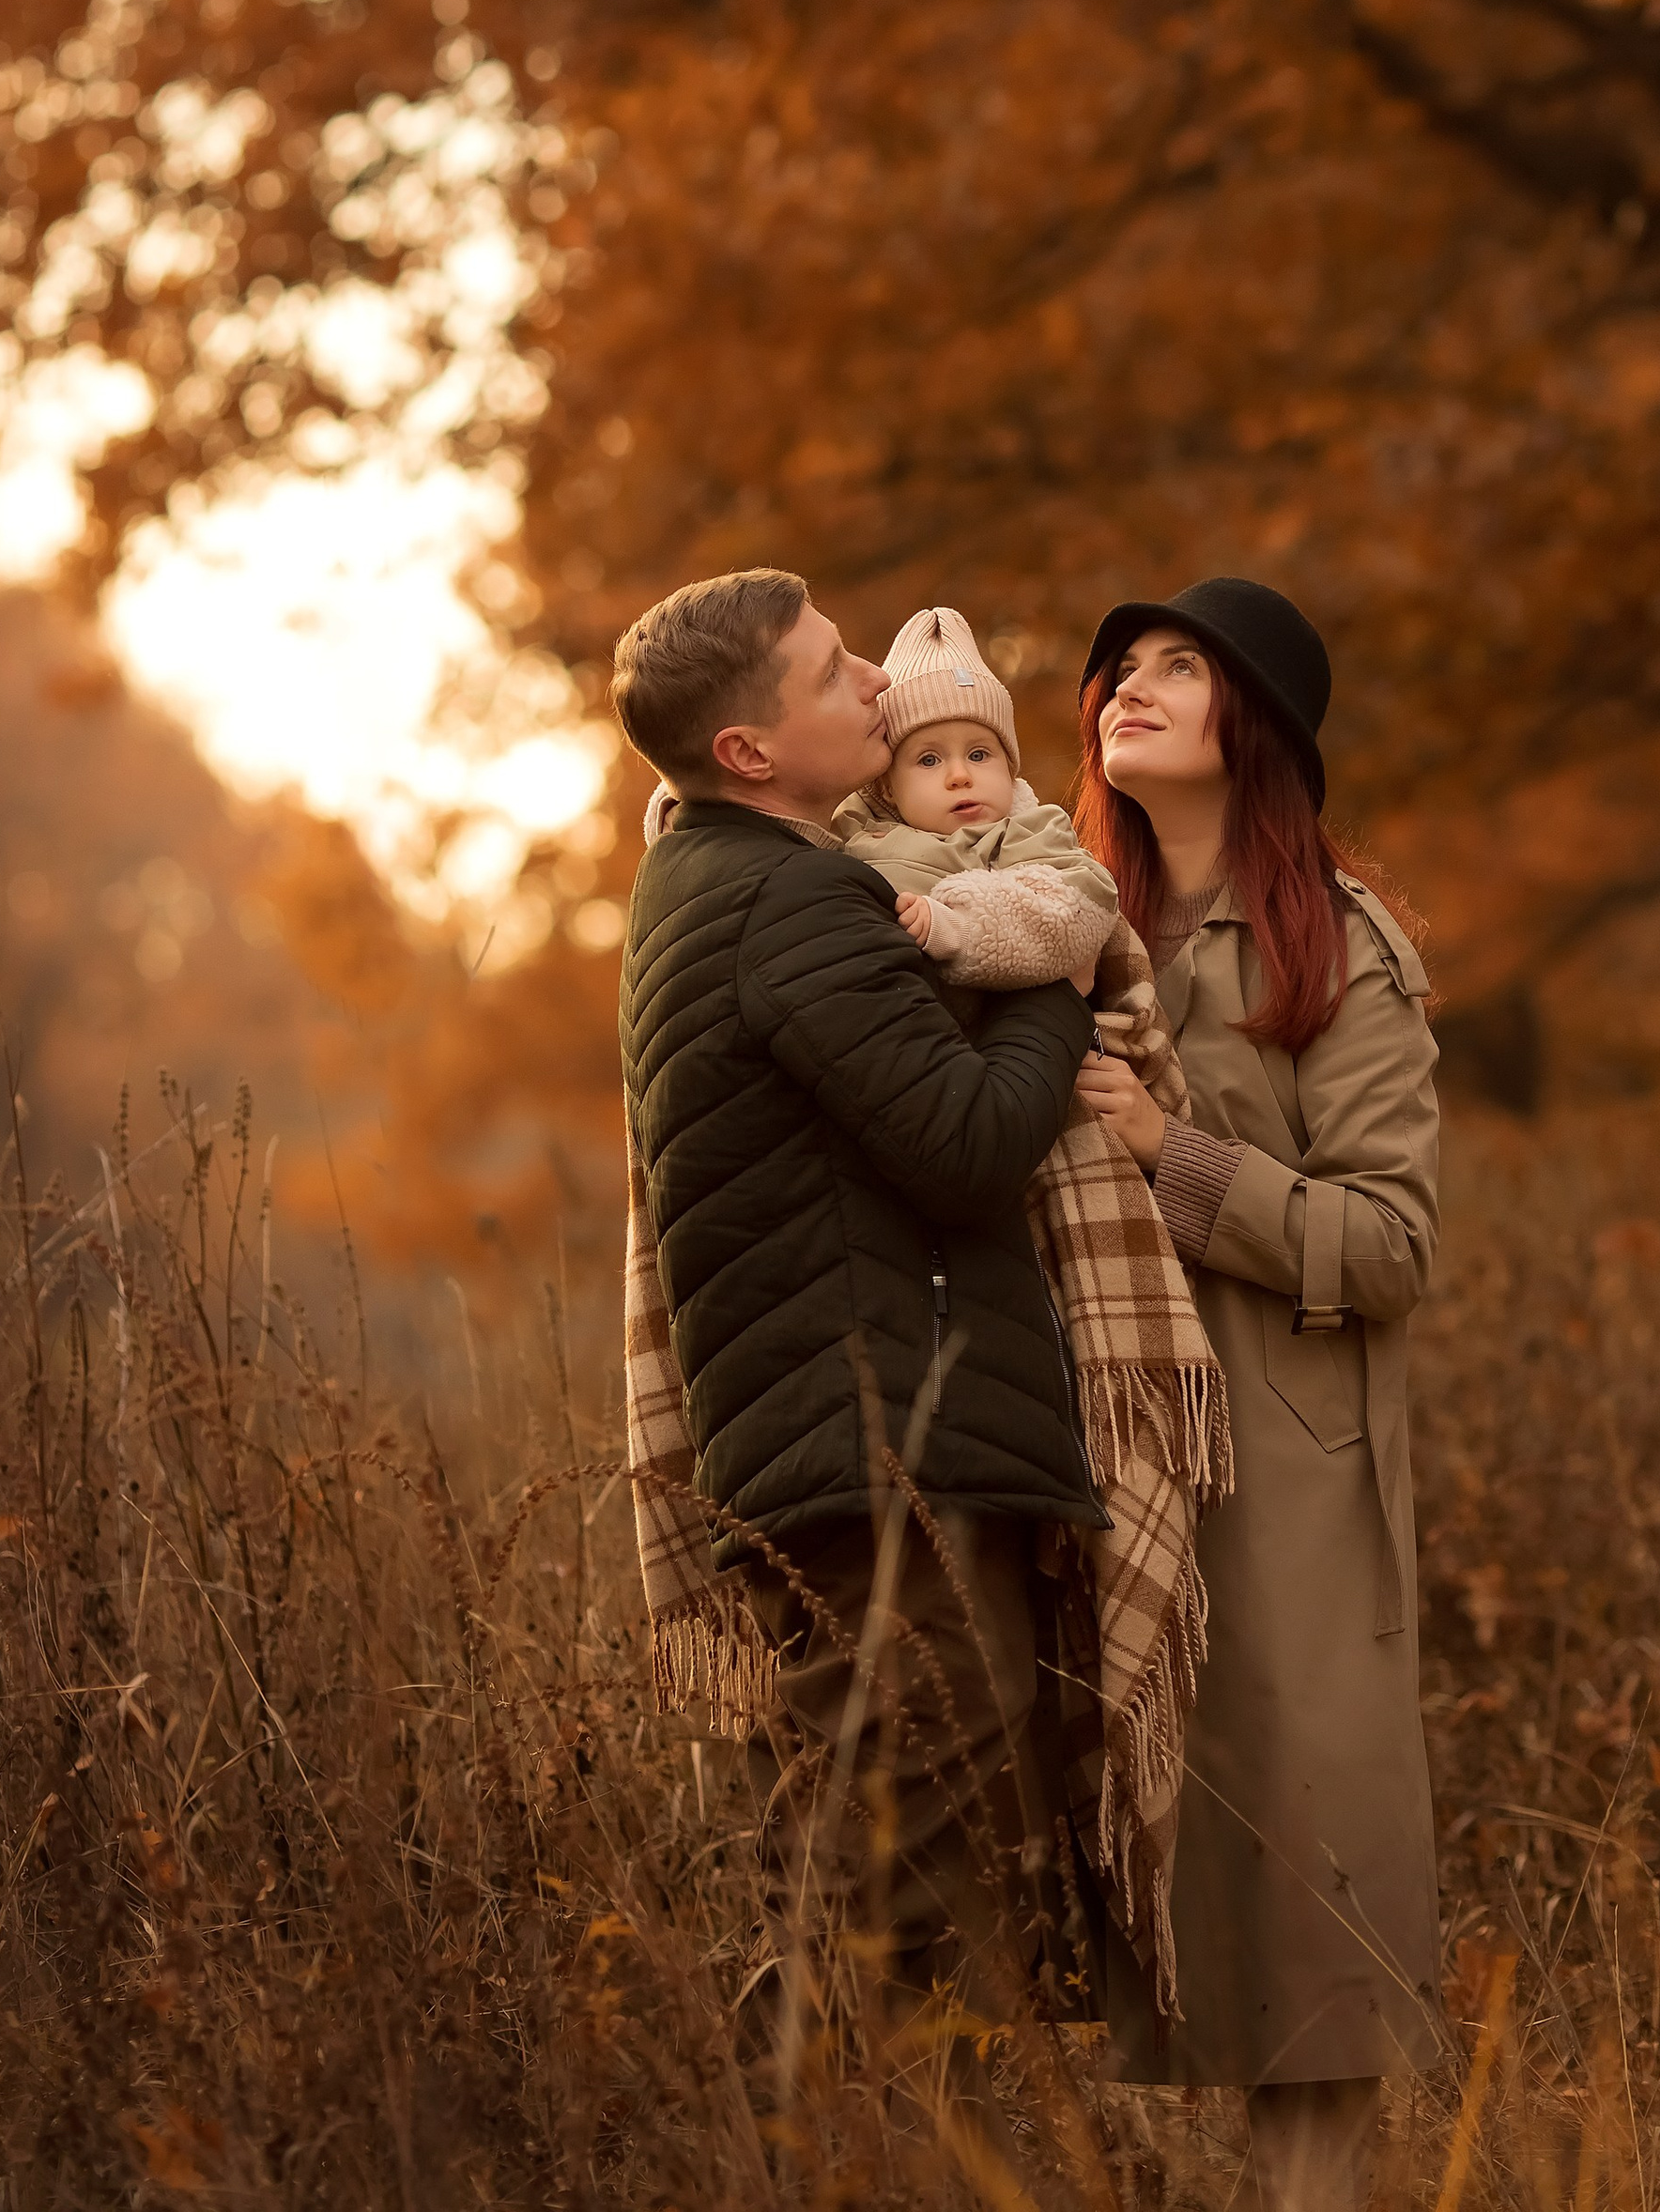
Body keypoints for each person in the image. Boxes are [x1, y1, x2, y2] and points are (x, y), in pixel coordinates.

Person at [607, 563, 1101, 2039]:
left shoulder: (702, 885)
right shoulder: (797, 901)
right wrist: (1054, 978)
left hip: (835, 1454)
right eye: (836, 676)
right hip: (888, 1460)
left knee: (869, 1894)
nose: (880, 684)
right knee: (921, 1934)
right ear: (750, 752)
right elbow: (964, 1147)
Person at [1071, 576, 1443, 2212]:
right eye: (1120, 667)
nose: (1128, 688)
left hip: (1286, 1479)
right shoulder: (1067, 923)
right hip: (1104, 1463)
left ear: (1257, 729)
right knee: (1168, 1903)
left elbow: (1390, 1241)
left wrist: (1175, 1155)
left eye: (1178, 668)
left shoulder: (1340, 947)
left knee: (1307, 1910)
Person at [830, 600, 1234, 2012]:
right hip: (942, 1243)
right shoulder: (846, 858)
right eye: (930, 757)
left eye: (980, 756)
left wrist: (938, 922)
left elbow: (1062, 930)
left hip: (1046, 1215)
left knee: (1022, 1655)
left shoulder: (1039, 853)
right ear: (882, 777)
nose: (959, 780)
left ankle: (1040, 1957)